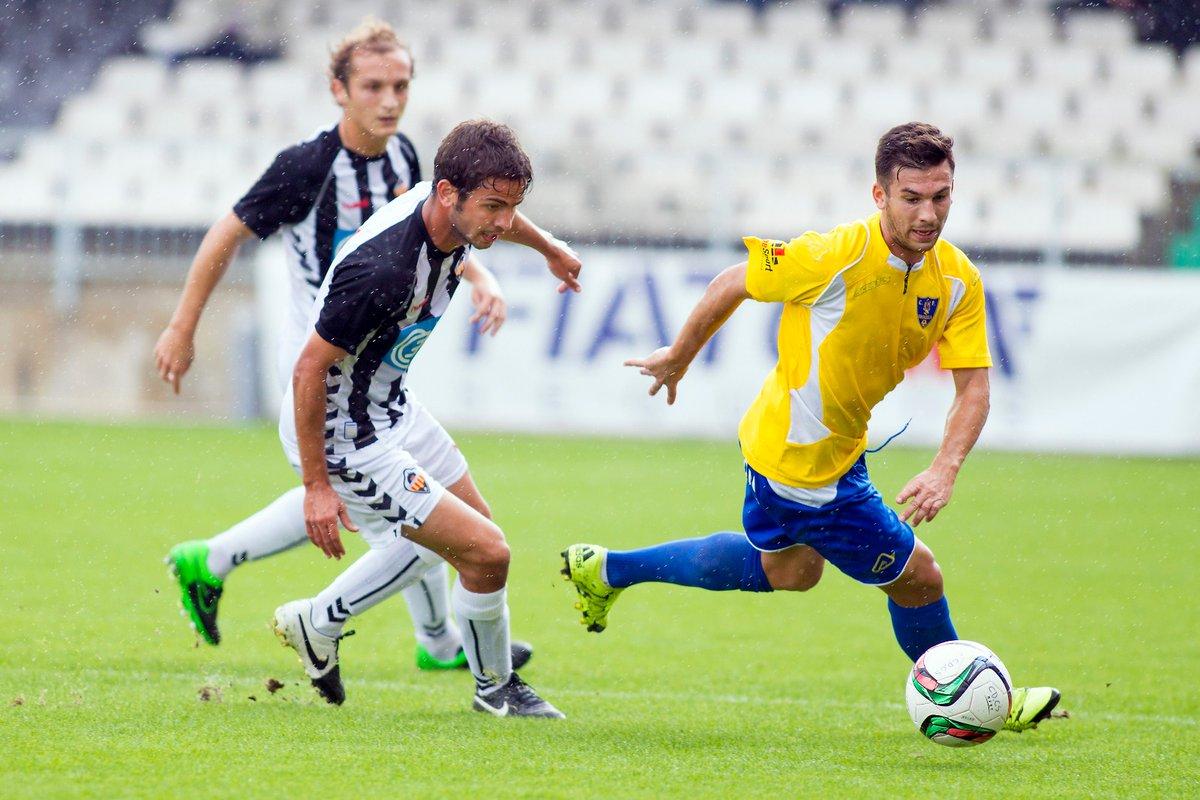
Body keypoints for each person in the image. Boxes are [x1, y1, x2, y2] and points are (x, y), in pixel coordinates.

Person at [562, 122, 1061, 732]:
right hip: (802, 464)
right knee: (919, 577)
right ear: (879, 195)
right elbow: (733, 280)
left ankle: (608, 569)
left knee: (791, 572)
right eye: (912, 198)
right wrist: (679, 356)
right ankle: (985, 702)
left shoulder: (957, 279)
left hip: (820, 448)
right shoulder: (833, 255)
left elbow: (974, 386)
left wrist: (944, 467)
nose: (929, 214)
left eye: (942, 196)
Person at [157, 21, 581, 673]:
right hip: (317, 362)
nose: (390, 100)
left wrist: (485, 269)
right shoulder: (306, 168)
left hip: (378, 367)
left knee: (407, 513)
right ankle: (422, 639)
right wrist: (183, 327)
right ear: (339, 90)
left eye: (401, 86)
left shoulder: (410, 160)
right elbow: (226, 235)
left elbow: (431, 232)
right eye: (373, 86)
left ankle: (217, 561)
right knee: (396, 518)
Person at [272, 119, 563, 718]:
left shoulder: (448, 210)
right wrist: (315, 486)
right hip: (344, 433)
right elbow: (308, 371)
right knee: (487, 552)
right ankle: (495, 691)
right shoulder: (382, 272)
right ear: (448, 193)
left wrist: (551, 249)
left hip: (389, 406)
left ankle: (317, 620)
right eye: (493, 208)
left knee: (474, 534)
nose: (503, 223)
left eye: (513, 207)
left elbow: (502, 216)